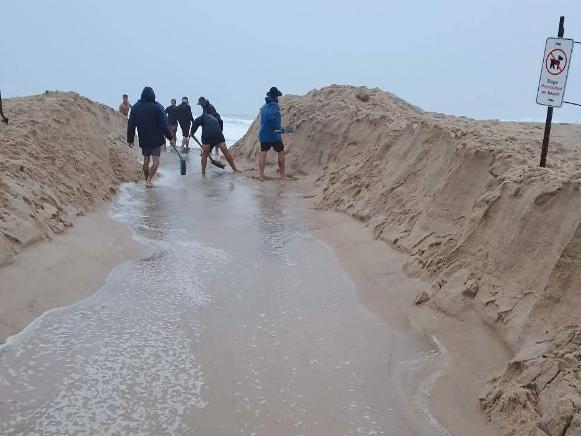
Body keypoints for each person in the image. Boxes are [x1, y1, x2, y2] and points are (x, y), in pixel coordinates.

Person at [127, 86, 173, 187]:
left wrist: (130, 139)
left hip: (144, 139)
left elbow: (131, 124)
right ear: (153, 95)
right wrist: (170, 137)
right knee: (156, 162)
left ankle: (147, 179)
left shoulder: (135, 107)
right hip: (156, 140)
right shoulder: (158, 107)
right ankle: (149, 180)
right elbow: (163, 124)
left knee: (146, 160)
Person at [259, 86, 285, 180]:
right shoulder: (274, 105)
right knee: (280, 151)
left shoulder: (264, 106)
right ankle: (282, 175)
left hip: (263, 133)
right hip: (274, 133)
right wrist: (277, 128)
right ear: (276, 96)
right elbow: (270, 117)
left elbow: (263, 120)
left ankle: (261, 175)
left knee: (263, 152)